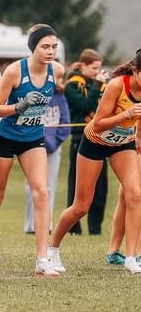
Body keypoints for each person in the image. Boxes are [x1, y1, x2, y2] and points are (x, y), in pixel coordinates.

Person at [0, 24, 65, 277]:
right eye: (45, 47)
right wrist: (20, 105)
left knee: (41, 192)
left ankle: (42, 258)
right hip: (4, 136)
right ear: (33, 48)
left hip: (33, 138)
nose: (50, 52)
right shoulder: (15, 72)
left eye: (54, 47)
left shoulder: (57, 70)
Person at [47, 50, 141, 274]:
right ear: (136, 71)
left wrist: (137, 137)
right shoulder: (118, 85)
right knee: (81, 207)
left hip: (122, 143)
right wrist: (126, 114)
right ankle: (52, 249)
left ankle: (130, 257)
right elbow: (98, 124)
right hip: (95, 142)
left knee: (135, 194)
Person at [64, 50, 108, 235]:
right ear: (82, 65)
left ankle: (95, 228)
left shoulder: (102, 85)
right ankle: (74, 228)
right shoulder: (72, 85)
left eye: (99, 68)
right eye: (94, 68)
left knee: (101, 186)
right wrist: (97, 84)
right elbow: (86, 106)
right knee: (77, 185)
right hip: (79, 138)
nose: (97, 72)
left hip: (100, 138)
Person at [23, 85, 70, 234]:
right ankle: (31, 225)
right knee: (33, 185)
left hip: (53, 147)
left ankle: (46, 224)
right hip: (33, 144)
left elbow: (65, 121)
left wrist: (54, 142)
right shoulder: (31, 92)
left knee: (49, 186)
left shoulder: (59, 95)